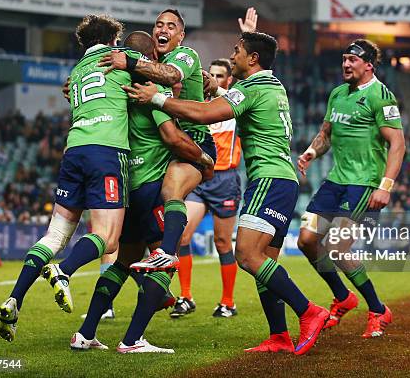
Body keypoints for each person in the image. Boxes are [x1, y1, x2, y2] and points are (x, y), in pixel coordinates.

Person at [122, 31, 330, 356]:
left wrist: (158, 98)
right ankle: (279, 336)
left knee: (246, 254)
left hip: (268, 181)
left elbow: (206, 114)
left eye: (237, 51)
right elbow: (241, 102)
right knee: (266, 265)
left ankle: (308, 311)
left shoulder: (251, 87)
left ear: (253, 59)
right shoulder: (273, 86)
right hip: (283, 181)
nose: (232, 56)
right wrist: (219, 85)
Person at [0, 14, 140, 342]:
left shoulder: (76, 73)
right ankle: (64, 270)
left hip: (74, 150)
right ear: (112, 40)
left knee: (55, 235)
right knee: (109, 238)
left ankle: (14, 299)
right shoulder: (119, 63)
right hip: (106, 151)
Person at [72, 30, 212, 353]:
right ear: (150, 57)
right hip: (151, 188)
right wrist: (204, 159)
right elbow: (172, 137)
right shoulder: (152, 89)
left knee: (124, 261)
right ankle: (133, 339)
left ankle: (85, 332)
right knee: (166, 261)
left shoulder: (117, 89)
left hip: (127, 186)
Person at [296, 39, 405, 338]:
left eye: (352, 60)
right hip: (335, 181)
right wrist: (311, 152)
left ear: (368, 64)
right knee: (306, 240)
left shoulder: (381, 96)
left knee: (337, 246)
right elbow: (325, 133)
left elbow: (398, 143)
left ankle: (378, 309)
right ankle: (343, 297)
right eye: (344, 59)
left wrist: (385, 187)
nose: (345, 64)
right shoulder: (338, 94)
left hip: (363, 184)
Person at [99, 9, 215, 271]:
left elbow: (172, 75)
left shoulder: (185, 56)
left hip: (191, 140)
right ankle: (160, 280)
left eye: (171, 26)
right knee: (128, 251)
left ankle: (166, 254)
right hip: (161, 153)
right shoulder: (147, 68)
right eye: (159, 25)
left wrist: (128, 63)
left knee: (171, 193)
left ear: (181, 36)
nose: (163, 29)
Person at [172, 8, 258, 318]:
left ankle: (228, 302)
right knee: (182, 235)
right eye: (210, 74)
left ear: (228, 80)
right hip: (200, 176)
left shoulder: (235, 100)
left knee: (224, 242)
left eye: (220, 75)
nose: (212, 78)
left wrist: (247, 35)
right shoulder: (198, 104)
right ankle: (185, 296)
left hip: (225, 179)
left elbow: (247, 71)